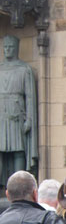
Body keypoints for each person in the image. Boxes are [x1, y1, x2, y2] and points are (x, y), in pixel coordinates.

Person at [0, 35, 37, 186]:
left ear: (16, 49)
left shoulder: (24, 69)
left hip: (16, 114)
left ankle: (19, 185)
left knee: (18, 150)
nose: (7, 50)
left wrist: (29, 119)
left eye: (10, 47)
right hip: (1, 114)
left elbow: (30, 97)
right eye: (5, 47)